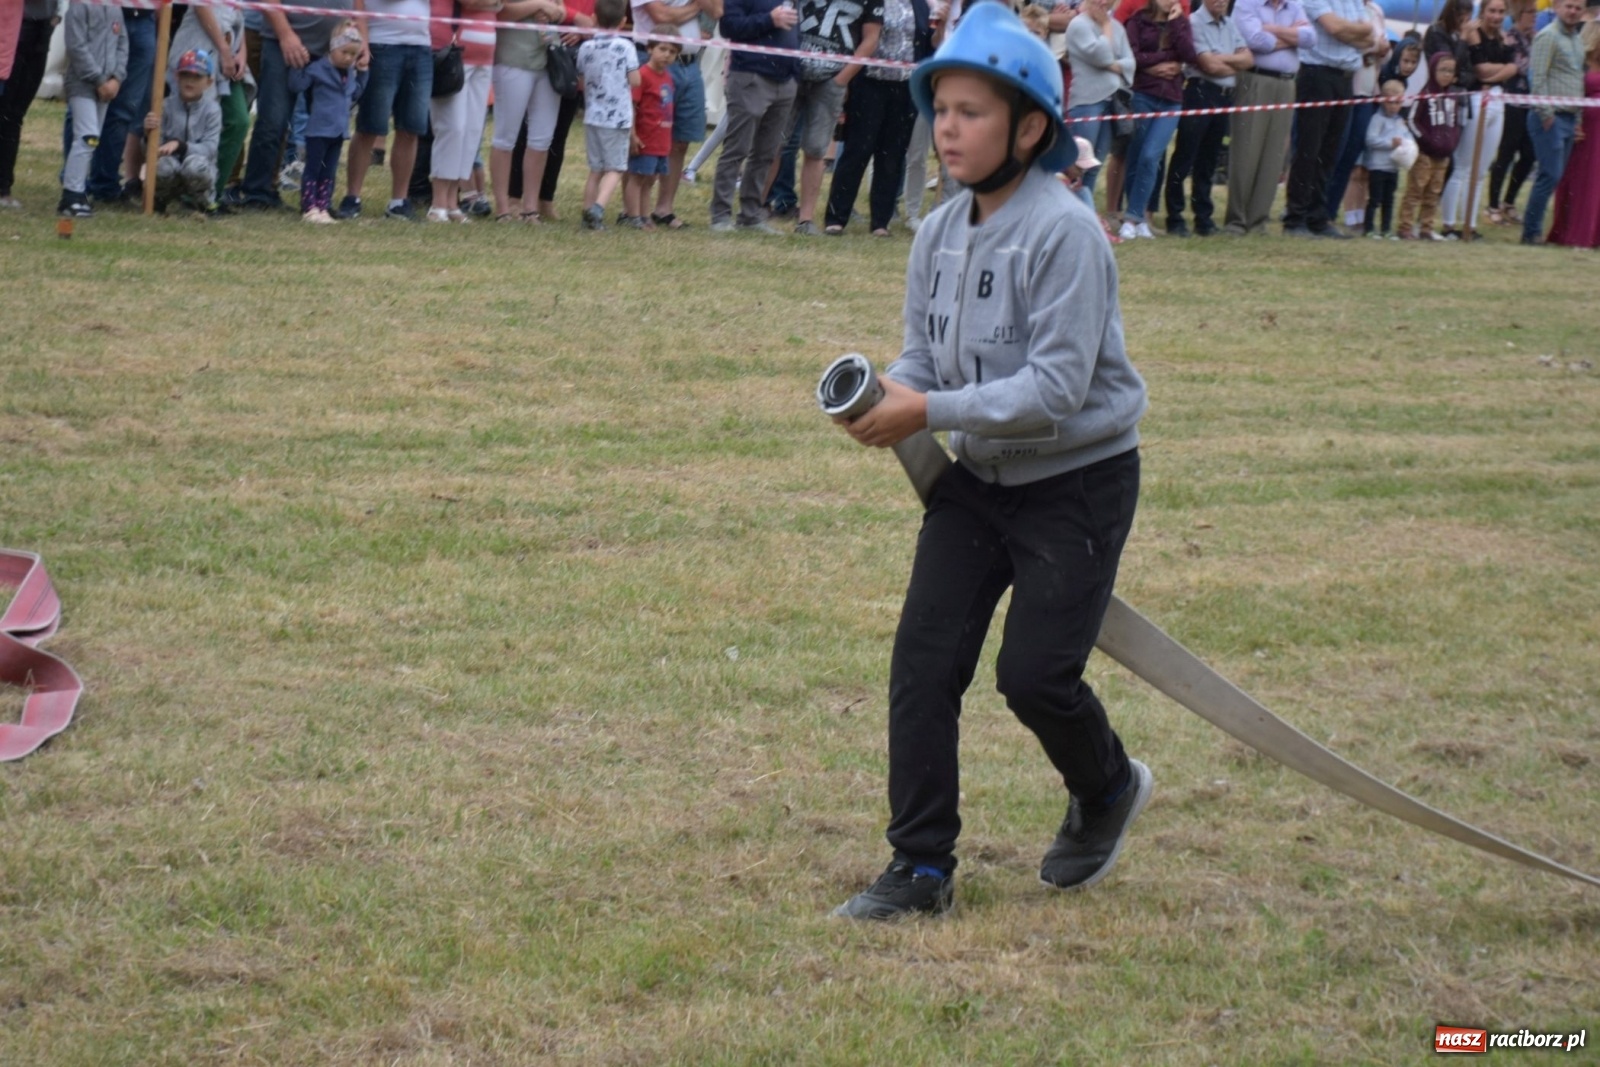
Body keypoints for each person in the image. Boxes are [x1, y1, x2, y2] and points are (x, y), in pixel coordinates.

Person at [831, 3, 1151, 923]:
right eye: (941, 109)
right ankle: (920, 867)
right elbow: (924, 358)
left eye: (972, 112)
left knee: (1035, 678)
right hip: (976, 483)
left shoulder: (1066, 234)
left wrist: (925, 411)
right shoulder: (937, 231)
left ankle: (1107, 786)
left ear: (1031, 128)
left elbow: (1054, 391)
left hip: (1077, 482)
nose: (948, 128)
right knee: (924, 664)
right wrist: (887, 395)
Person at [239, 0, 365, 211]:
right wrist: (285, 35)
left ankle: (319, 200)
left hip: (333, 47)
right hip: (282, 42)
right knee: (273, 119)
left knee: (328, 130)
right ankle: (258, 193)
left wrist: (363, 40)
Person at [822, 0, 929, 235]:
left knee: (892, 156)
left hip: (905, 88)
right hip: (869, 84)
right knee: (857, 150)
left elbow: (926, 42)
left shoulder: (920, 4)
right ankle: (836, 217)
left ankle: (881, 222)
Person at [1281, 0, 1376, 237]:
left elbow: (1369, 37)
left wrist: (1347, 32)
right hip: (1317, 76)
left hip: (1345, 79)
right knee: (1308, 149)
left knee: (1330, 151)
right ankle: (1295, 218)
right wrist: (1354, 32)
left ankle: (1318, 217)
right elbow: (1333, 27)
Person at [789, 0, 882, 235]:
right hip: (790, 70)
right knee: (773, 143)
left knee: (816, 149)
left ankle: (805, 219)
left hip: (831, 78)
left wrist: (842, 79)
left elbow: (871, 39)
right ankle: (757, 211)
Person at [337, 0, 433, 219]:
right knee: (370, 126)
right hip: (382, 43)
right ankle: (352, 197)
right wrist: (363, 41)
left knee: (411, 129)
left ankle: (399, 201)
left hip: (421, 46)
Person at [1162, 0, 1251, 236]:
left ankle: (1203, 218)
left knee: (1209, 159)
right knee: (1185, 156)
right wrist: (1232, 62)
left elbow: (1248, 60)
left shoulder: (1229, 24)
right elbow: (1208, 65)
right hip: (1200, 93)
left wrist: (1221, 59)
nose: (1221, 1)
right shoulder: (1194, 22)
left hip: (1224, 96)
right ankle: (1175, 217)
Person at [712, 0, 801, 232]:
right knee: (737, 149)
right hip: (750, 76)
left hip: (785, 81)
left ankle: (750, 215)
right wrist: (769, 20)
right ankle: (720, 216)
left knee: (766, 153)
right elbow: (728, 27)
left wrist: (794, 72)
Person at [630, 0, 720, 229]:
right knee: (643, 137)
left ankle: (664, 209)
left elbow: (717, 10)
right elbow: (662, 17)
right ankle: (632, 211)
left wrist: (691, 9)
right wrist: (698, 6)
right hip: (653, 63)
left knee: (681, 141)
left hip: (690, 65)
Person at [1225, 0, 1312, 235]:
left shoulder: (1294, 5)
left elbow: (1309, 38)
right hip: (1255, 80)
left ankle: (1258, 221)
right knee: (1247, 149)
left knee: (1274, 154)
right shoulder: (1247, 3)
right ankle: (1237, 220)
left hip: (1286, 83)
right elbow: (1255, 40)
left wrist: (1272, 30)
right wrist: (1292, 36)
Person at [1118, 0, 1198, 240]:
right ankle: (1135, 218)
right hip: (1143, 95)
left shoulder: (1181, 23)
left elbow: (1190, 55)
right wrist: (1158, 64)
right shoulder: (1137, 21)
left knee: (1151, 156)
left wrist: (1176, 23)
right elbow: (1132, 57)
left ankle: (1134, 216)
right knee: (1136, 156)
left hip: (1171, 99)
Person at [1438, 0, 1516, 238]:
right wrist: (1501, 70)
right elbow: (1480, 70)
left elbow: (1513, 68)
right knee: (1462, 165)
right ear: (1483, 11)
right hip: (1476, 99)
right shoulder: (1474, 34)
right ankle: (1449, 224)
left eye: (1501, 12)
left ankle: (1469, 225)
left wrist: (1496, 74)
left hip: (1497, 99)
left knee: (1481, 170)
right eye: (1492, 11)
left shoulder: (1504, 38)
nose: (1497, 16)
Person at [165, 0, 252, 209]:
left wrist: (241, 52)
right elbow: (200, 6)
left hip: (227, 59)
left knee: (239, 121)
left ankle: (211, 194)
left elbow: (236, 14)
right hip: (196, 54)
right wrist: (224, 49)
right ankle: (185, 194)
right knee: (193, 127)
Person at [490, 0, 570, 222]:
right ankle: (503, 208)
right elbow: (500, 12)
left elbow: (562, 10)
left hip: (548, 61)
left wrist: (554, 12)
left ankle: (530, 208)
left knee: (542, 140)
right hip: (513, 59)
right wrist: (538, 5)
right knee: (505, 137)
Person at [426, 0, 499, 222]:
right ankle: (438, 203)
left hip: (485, 57)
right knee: (452, 128)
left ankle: (452, 203)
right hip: (455, 55)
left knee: (471, 131)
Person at [1521, 0, 1587, 244]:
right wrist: (1546, 114)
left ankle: (1536, 229)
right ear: (1557, 7)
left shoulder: (1577, 40)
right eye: (1569, 6)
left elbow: (1576, 80)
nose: (1573, 11)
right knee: (1549, 174)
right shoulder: (1547, 36)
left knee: (1554, 176)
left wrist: (1577, 118)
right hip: (1550, 117)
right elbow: (1537, 78)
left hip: (1569, 116)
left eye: (1578, 8)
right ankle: (1531, 233)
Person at [287, 23, 367, 222]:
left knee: (329, 171)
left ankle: (323, 205)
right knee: (313, 169)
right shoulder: (318, 69)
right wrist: (298, 66)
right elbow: (297, 85)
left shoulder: (349, 73)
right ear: (332, 48)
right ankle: (309, 206)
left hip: (339, 131)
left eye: (353, 54)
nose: (348, 58)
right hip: (318, 131)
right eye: (344, 52)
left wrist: (363, 73)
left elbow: (355, 93)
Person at [576, 0, 640, 229]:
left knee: (596, 170)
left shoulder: (585, 47)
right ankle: (597, 208)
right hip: (617, 118)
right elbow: (635, 80)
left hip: (593, 115)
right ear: (623, 22)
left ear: (594, 18)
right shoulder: (626, 47)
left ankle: (587, 211)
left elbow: (581, 82)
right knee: (615, 168)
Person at [1322, 0, 1386, 231]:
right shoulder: (1346, 7)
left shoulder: (1376, 11)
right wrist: (1373, 44)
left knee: (1350, 155)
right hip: (1349, 87)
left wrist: (1375, 46)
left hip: (1368, 92)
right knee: (1335, 150)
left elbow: (1382, 48)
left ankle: (1329, 211)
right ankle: (1317, 207)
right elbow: (1350, 40)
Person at [58, 0, 125, 218]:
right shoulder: (80, 6)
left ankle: (78, 193)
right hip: (83, 84)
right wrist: (98, 79)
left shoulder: (115, 6)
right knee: (87, 136)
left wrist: (117, 78)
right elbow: (76, 45)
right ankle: (71, 195)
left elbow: (122, 42)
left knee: (92, 140)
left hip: (107, 86)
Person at [1065, 0, 1135, 206]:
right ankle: (1073, 212)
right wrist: (1105, 27)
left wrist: (1110, 63)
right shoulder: (1079, 25)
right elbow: (1102, 56)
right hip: (1087, 102)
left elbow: (1131, 63)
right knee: (1079, 166)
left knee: (1095, 165)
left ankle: (1085, 213)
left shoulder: (1118, 27)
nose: (1104, 2)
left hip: (1111, 102)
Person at [0, 0, 62, 210]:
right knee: (6, 110)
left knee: (15, 115)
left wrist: (57, 14)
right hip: (13, 26)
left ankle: (4, 186)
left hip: (42, 26)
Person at [144, 49, 224, 213]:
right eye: (185, 74)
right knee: (162, 166)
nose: (190, 81)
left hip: (197, 167)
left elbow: (210, 148)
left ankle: (203, 202)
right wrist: (147, 135)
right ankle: (160, 198)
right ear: (176, 76)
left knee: (195, 167)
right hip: (171, 166)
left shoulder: (212, 110)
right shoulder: (164, 106)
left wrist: (181, 146)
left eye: (197, 77)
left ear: (209, 82)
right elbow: (151, 150)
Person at [1546, 20, 1600, 247]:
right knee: (1578, 178)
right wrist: (1575, 122)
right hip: (1583, 127)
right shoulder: (1580, 62)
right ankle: (1574, 231)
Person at [1396, 51, 1461, 239]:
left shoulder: (1453, 98)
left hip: (1443, 155)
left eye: (1450, 71)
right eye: (1442, 70)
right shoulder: (1424, 95)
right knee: (1415, 190)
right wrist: (1426, 140)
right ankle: (1405, 227)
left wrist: (1452, 141)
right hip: (1424, 154)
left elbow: (1455, 124)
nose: (1446, 75)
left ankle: (1426, 228)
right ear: (1433, 70)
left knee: (1434, 193)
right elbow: (1411, 120)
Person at [1486, 1, 1536, 226]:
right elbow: (1519, 66)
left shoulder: (1534, 38)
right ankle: (1493, 204)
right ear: (1519, 14)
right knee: (1506, 154)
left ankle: (1509, 201)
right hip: (1511, 103)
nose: (1534, 16)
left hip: (1530, 104)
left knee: (1529, 154)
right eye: (1530, 12)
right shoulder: (1510, 38)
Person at [623, 35, 678, 227]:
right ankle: (632, 217)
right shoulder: (643, 75)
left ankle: (644, 216)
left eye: (672, 52)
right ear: (649, 49)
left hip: (661, 139)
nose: (667, 55)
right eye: (662, 49)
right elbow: (631, 106)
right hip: (645, 138)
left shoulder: (668, 77)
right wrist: (633, 135)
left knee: (649, 180)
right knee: (637, 177)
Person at [1361, 77, 1407, 237]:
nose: (1394, 106)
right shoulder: (1377, 119)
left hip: (1393, 167)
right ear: (1383, 101)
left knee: (1389, 200)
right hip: (1378, 167)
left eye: (1398, 102)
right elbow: (1370, 139)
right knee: (1375, 199)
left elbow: (1405, 138)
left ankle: (1386, 229)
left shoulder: (1400, 121)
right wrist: (1390, 144)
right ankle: (1368, 229)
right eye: (1390, 102)